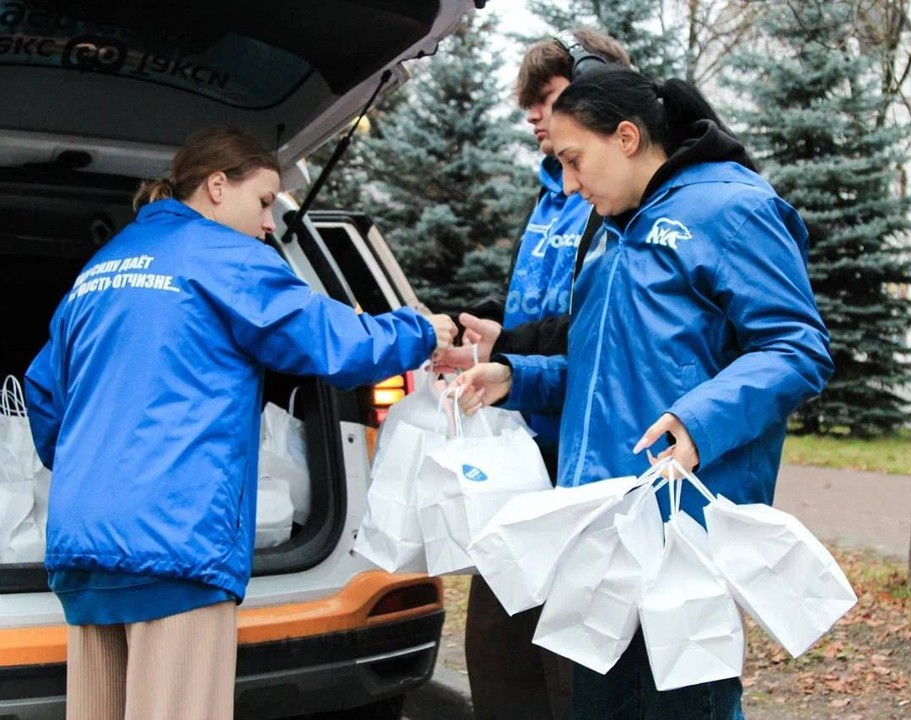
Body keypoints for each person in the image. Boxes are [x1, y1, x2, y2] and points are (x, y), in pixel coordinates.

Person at [22, 125, 456, 720]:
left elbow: (45, 396)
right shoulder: (227, 259)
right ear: (218, 187)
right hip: (174, 543)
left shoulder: (103, 265)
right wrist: (424, 331)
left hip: (85, 549)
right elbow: (334, 343)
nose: (270, 222)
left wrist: (90, 469)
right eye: (263, 201)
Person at [452, 67, 835, 719]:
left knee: (685, 707)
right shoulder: (611, 236)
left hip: (678, 534)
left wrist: (698, 419)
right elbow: (601, 371)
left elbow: (797, 347)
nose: (570, 184)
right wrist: (518, 377)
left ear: (626, 137)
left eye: (574, 160)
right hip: (598, 530)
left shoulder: (732, 207)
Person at [440, 29, 631, 720]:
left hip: (580, 453)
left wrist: (510, 348)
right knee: (497, 642)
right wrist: (490, 323)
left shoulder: (613, 195)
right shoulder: (553, 191)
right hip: (521, 443)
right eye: (533, 113)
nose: (541, 124)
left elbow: (590, 328)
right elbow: (538, 297)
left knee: (566, 655)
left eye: (551, 102)